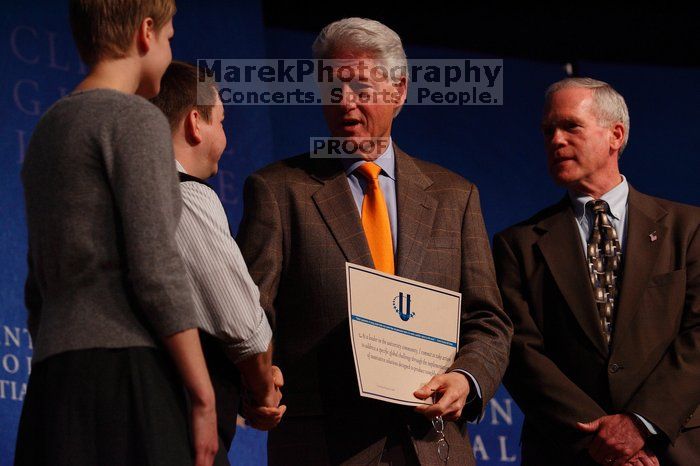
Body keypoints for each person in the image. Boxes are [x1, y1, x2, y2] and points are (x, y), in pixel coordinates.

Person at [236, 17, 512, 465]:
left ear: (399, 91)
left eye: (361, 89)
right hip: (324, 447)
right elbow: (249, 315)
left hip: (431, 445)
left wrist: (465, 379)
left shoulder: (455, 196)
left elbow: (488, 321)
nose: (345, 103)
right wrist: (255, 387)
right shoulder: (278, 191)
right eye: (332, 89)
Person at [16, 2, 218, 465]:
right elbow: (155, 267)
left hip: (53, 384)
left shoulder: (48, 128)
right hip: (128, 379)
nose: (169, 50)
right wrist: (202, 394)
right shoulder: (136, 118)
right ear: (146, 33)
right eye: (169, 37)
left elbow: (37, 286)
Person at [493, 77, 700, 465]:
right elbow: (521, 353)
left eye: (570, 126)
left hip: (672, 449)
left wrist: (640, 425)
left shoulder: (689, 229)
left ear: (615, 135)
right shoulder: (517, 245)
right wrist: (604, 441)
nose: (555, 140)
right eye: (547, 130)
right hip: (570, 452)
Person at [150, 61, 285, 462]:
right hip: (177, 432)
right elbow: (246, 329)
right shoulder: (187, 196)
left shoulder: (119, 199)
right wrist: (264, 391)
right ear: (195, 122)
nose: (225, 137)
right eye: (221, 122)